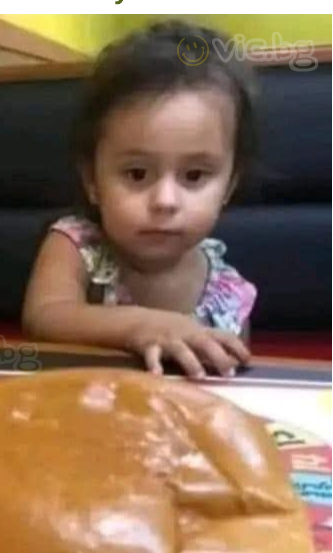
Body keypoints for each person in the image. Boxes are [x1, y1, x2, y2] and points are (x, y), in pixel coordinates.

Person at [22, 20, 258, 379]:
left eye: (194, 176)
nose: (165, 201)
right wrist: (143, 326)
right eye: (136, 174)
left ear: (228, 186)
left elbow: (234, 381)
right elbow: (45, 317)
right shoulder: (76, 245)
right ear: (92, 181)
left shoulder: (229, 296)